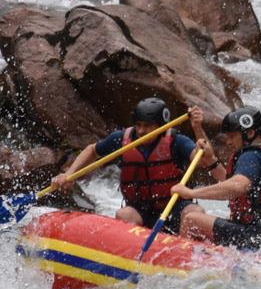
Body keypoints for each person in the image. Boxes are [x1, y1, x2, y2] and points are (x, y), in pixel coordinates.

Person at [50, 96, 215, 233]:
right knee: (124, 214)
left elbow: (204, 158)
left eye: (148, 126)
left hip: (174, 207)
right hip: (140, 209)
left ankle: (190, 255)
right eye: (139, 125)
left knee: (195, 213)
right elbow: (92, 150)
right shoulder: (122, 139)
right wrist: (68, 174)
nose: (141, 131)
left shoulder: (176, 142)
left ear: (162, 127)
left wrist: (197, 128)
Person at [171, 106, 261, 250]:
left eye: (232, 136)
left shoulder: (251, 155)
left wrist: (191, 193)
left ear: (249, 133)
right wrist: (212, 160)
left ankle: (182, 261)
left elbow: (237, 186)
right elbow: (229, 182)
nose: (228, 142)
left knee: (191, 219)